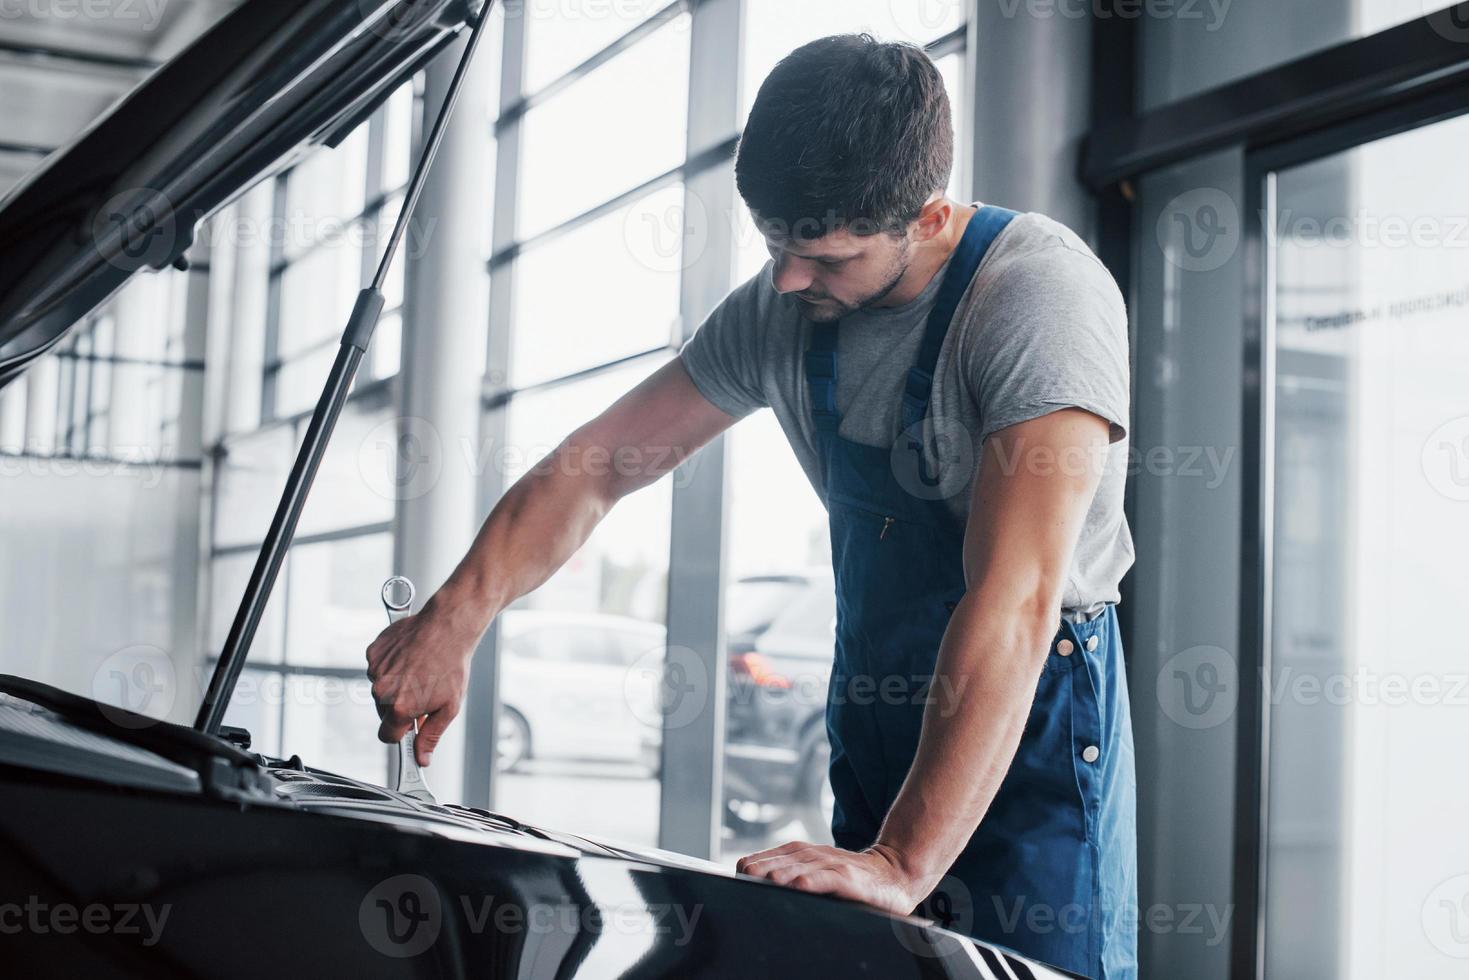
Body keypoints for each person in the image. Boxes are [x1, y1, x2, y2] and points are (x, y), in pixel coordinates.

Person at [367, 33, 1137, 979]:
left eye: (823, 257)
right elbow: (602, 464)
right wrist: (456, 614)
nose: (785, 281)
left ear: (927, 216)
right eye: (775, 246)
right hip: (879, 696)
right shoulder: (784, 308)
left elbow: (1014, 600)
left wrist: (900, 861)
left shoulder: (1037, 299)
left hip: (1031, 722)